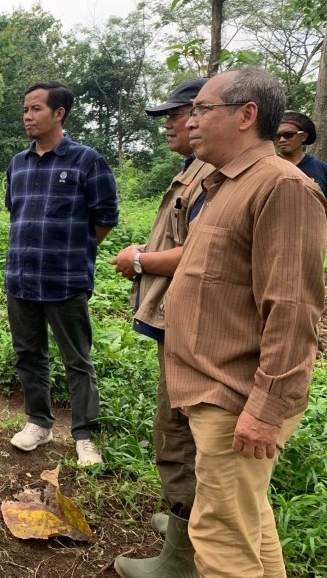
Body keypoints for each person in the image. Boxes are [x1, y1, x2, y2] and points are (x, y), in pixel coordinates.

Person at [165, 68, 327, 577]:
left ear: (246, 115)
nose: (191, 120)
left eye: (202, 109)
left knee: (221, 538)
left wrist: (265, 409)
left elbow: (294, 309)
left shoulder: (283, 187)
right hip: (215, 390)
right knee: (248, 523)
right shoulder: (223, 185)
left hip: (237, 399)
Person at [110, 78, 215, 577]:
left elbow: (200, 253)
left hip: (195, 328)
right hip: (182, 323)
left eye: (177, 114)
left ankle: (182, 557)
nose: (171, 124)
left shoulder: (214, 176)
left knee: (179, 431)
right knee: (176, 426)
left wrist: (140, 259)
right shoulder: (195, 170)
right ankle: (184, 523)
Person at [5, 81, 119, 467]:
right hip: (21, 277)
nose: (27, 116)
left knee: (77, 359)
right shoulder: (18, 163)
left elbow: (105, 218)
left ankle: (85, 435)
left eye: (36, 108)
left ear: (59, 114)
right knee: (28, 354)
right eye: (25, 109)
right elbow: (17, 212)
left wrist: (73, 250)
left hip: (65, 280)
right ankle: (39, 421)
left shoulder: (87, 160)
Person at [274, 110, 327, 195]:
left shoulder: (323, 169)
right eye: (277, 136)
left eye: (288, 135)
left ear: (303, 136)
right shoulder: (266, 167)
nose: (282, 140)